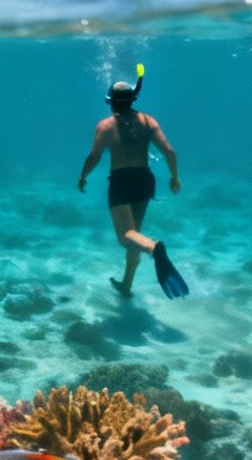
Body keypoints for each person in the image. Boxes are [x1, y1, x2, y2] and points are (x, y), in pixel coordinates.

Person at [77, 65, 189, 298]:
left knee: (126, 236)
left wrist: (83, 176)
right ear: (132, 99)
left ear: (111, 102)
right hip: (145, 180)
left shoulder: (105, 127)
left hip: (122, 181)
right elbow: (170, 151)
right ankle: (126, 285)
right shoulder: (148, 122)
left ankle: (154, 248)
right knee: (135, 234)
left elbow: (94, 157)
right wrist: (175, 177)